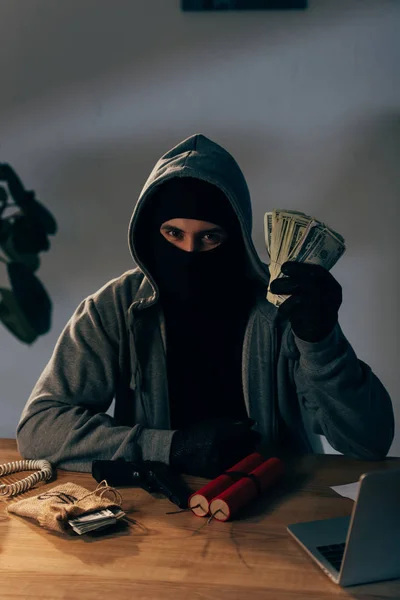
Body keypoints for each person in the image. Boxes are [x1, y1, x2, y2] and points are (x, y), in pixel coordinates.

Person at [17, 134, 394, 477]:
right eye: (173, 234)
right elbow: (39, 429)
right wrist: (171, 448)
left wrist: (322, 342)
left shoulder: (286, 306)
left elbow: (369, 442)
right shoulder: (114, 308)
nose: (189, 253)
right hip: (158, 511)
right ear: (151, 233)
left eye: (210, 237)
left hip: (274, 501)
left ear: (235, 240)